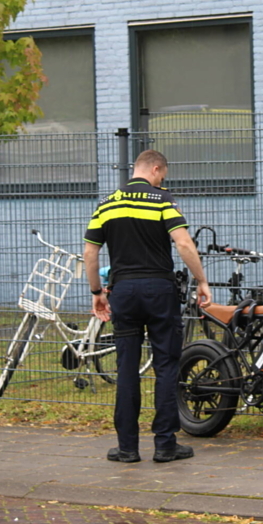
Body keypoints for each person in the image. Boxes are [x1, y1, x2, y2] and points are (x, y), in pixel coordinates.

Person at [84, 150, 212, 464]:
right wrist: (201, 280)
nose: (162, 181)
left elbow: (90, 252)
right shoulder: (161, 201)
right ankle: (165, 445)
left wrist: (96, 292)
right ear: (155, 169)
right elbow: (182, 243)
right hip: (159, 289)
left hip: (123, 291)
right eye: (162, 176)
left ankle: (127, 448)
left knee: (126, 369)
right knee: (166, 366)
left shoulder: (107, 204)